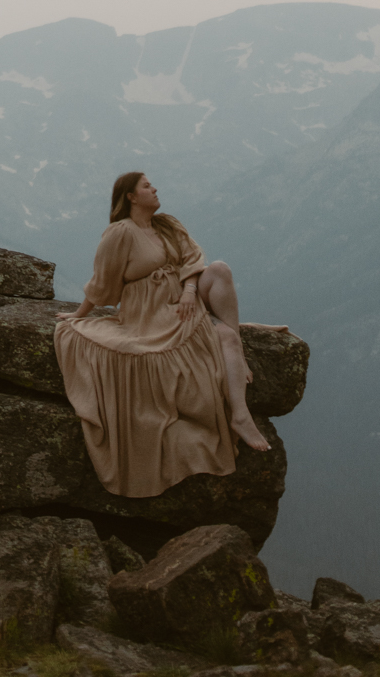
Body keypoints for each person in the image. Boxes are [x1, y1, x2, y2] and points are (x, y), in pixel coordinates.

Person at [53, 169, 275, 498]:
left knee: (221, 270)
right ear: (131, 196)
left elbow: (192, 258)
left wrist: (188, 289)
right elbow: (100, 283)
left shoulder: (166, 225)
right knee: (224, 337)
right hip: (150, 313)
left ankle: (234, 349)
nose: (154, 188)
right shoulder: (120, 233)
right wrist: (78, 315)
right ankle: (239, 414)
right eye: (146, 186)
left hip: (182, 302)